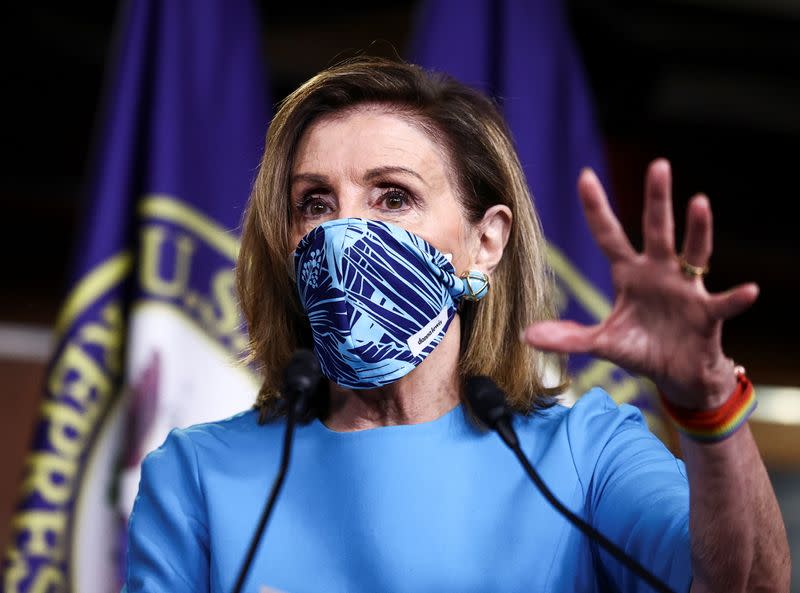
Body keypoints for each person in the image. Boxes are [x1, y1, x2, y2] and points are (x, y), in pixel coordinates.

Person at [124, 57, 790, 592]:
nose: (344, 232)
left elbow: (749, 583)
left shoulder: (584, 453)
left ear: (485, 243)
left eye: (393, 195)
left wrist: (705, 401)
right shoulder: (197, 474)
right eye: (315, 202)